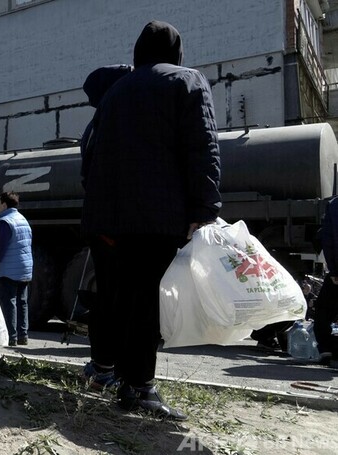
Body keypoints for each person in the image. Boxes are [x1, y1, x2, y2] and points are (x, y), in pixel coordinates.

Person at [80, 20, 221, 420]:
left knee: (113, 297)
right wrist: (204, 208)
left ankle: (104, 370)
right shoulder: (187, 81)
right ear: (176, 51)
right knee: (147, 302)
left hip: (106, 217)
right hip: (155, 216)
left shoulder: (114, 92)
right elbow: (202, 146)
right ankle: (139, 387)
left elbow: (90, 156)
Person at [78, 64, 132, 391]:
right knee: (116, 300)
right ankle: (106, 369)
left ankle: (102, 366)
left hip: (102, 224)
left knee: (108, 298)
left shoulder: (96, 125)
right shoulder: (112, 124)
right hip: (112, 226)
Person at [0, 191, 33, 347]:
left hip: (7, 269)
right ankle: (23, 335)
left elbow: (0, 249)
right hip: (23, 268)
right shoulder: (22, 219)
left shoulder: (5, 223)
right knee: (22, 302)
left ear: (4, 205)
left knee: (8, 303)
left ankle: (11, 337)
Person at [314, 197, 338, 365]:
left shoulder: (335, 205)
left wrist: (334, 270)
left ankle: (327, 351)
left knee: (324, 310)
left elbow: (328, 239)